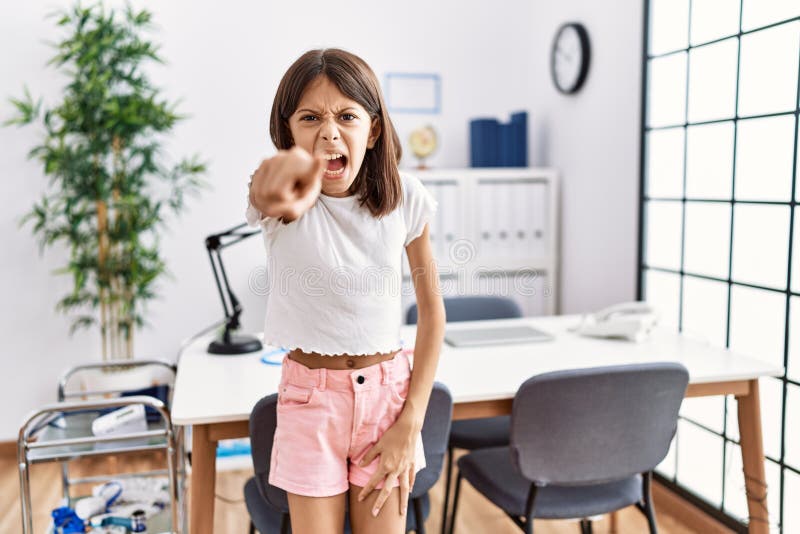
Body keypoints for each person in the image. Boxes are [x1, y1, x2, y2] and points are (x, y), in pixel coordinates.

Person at [246, 48, 445, 534]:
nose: (329, 132)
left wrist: (410, 421)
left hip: (389, 402)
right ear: (288, 130)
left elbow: (432, 314)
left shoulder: (404, 198)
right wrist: (275, 182)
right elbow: (267, 192)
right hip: (311, 405)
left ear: (372, 130)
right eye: (310, 117)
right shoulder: (284, 205)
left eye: (347, 116)